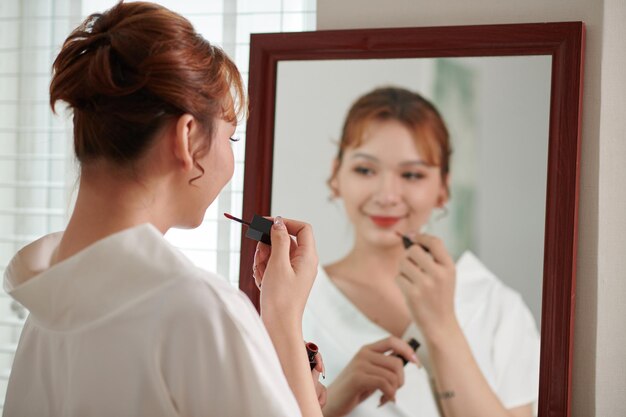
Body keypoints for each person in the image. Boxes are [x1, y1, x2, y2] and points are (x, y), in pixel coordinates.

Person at [3, 2, 324, 416]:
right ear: (188, 138)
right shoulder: (200, 312)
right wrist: (282, 318)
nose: (230, 162)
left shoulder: (46, 313)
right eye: (231, 139)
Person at [302, 87, 540, 417]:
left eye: (412, 174)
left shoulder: (496, 306)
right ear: (336, 176)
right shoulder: (298, 301)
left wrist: (442, 327)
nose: (387, 195)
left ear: (443, 188)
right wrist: (339, 394)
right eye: (365, 170)